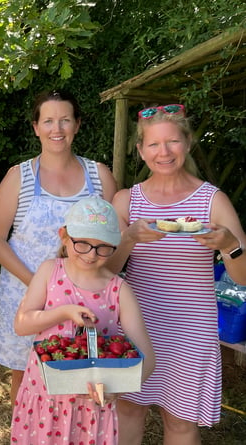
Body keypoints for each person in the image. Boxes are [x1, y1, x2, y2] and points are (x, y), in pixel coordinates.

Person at [109, 104, 246, 445]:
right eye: (153, 144)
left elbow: (242, 278)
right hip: (135, 324)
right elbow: (105, 273)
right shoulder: (127, 201)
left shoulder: (212, 200)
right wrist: (128, 239)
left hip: (191, 330)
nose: (163, 152)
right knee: (126, 412)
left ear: (187, 142)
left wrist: (229, 245)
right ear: (140, 150)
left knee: (181, 424)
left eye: (172, 142)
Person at [0, 90, 118, 405]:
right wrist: (40, 287)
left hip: (86, 299)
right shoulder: (19, 176)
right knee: (26, 376)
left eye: (64, 120)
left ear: (77, 125)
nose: (56, 129)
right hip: (27, 297)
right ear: (36, 127)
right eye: (48, 121)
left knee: (83, 379)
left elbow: (115, 240)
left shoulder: (98, 177)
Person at [10, 196, 155, 444]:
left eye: (103, 247)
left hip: (90, 408)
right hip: (43, 397)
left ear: (114, 245)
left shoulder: (119, 290)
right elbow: (22, 324)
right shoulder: (49, 271)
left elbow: (148, 359)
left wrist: (117, 389)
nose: (91, 254)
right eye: (83, 244)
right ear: (64, 236)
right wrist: (64, 312)